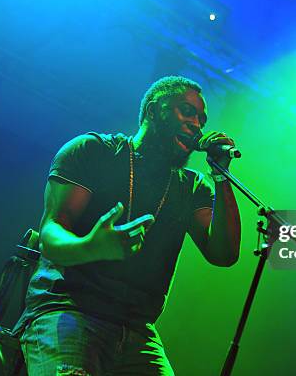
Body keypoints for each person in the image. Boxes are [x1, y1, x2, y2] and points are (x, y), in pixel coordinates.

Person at [15, 75, 241, 375]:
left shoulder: (192, 187)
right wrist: (89, 247)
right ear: (153, 110)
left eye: (201, 119)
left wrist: (221, 176)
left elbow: (223, 254)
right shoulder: (93, 151)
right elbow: (50, 233)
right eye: (186, 111)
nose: (196, 124)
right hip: (69, 308)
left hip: (138, 329)